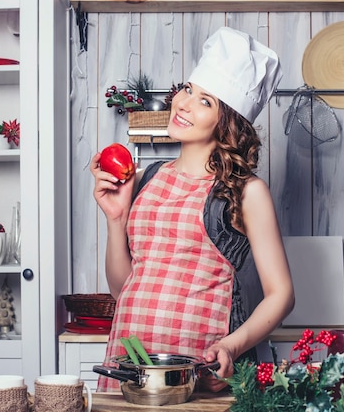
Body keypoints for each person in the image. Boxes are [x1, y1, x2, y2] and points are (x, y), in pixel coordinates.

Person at [90, 26, 295, 392]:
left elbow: (281, 294)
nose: (183, 103)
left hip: (198, 373)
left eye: (205, 101)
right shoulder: (145, 177)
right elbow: (126, 289)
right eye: (187, 89)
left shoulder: (246, 192)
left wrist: (232, 345)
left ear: (227, 122)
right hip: (129, 365)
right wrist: (116, 219)